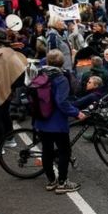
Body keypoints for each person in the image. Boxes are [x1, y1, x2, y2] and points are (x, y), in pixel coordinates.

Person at [34, 49, 86, 194]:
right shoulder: (61, 78)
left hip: (41, 119)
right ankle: (63, 183)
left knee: (47, 151)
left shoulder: (39, 72)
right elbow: (61, 102)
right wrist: (77, 113)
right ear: (62, 62)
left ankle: (51, 181)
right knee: (64, 151)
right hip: (56, 122)